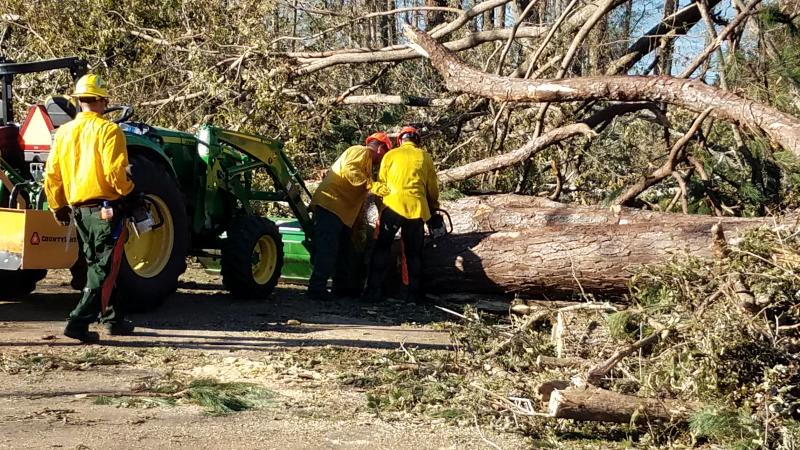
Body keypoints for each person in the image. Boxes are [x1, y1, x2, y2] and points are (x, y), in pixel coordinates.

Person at [44, 74, 135, 343]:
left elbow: (52, 174)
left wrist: (56, 205)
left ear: (78, 101)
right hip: (105, 210)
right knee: (104, 267)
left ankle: (111, 318)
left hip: (79, 212)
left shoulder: (63, 133)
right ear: (103, 101)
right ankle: (78, 321)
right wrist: (130, 193)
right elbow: (116, 173)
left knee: (100, 263)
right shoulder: (109, 131)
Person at [307, 132, 392, 300]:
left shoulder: (366, 164)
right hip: (331, 205)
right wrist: (371, 185)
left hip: (341, 211)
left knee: (343, 250)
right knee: (328, 248)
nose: (381, 161)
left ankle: (342, 289)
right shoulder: (361, 151)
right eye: (384, 155)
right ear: (381, 148)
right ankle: (317, 288)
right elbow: (349, 170)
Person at [364, 126, 439, 303]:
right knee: (413, 253)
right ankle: (412, 295)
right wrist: (434, 209)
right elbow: (432, 188)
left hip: (392, 206)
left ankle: (373, 292)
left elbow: (381, 184)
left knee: (382, 248)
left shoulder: (390, 155)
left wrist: (382, 208)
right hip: (416, 209)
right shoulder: (424, 157)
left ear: (400, 140)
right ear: (417, 141)